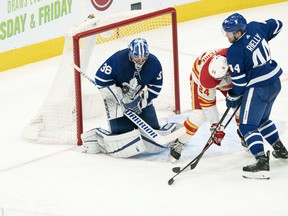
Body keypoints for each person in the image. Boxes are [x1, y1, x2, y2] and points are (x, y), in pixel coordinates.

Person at [81, 38, 179, 158]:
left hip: (139, 99)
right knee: (121, 133)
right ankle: (98, 138)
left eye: (144, 57)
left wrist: (142, 101)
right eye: (137, 57)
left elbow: (156, 85)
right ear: (130, 52)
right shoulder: (118, 59)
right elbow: (100, 79)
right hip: (116, 102)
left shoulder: (154, 63)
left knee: (153, 131)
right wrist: (117, 97)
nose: (141, 60)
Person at [222, 13, 288, 179]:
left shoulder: (235, 51)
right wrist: (261, 39)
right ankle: (280, 149)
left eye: (229, 32)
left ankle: (261, 162)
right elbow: (277, 23)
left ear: (238, 32)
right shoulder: (255, 27)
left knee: (247, 126)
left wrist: (232, 96)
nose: (227, 35)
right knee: (262, 121)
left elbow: (240, 84)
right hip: (274, 82)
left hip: (258, 88)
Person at [170, 48, 246, 162]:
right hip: (200, 79)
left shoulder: (236, 60)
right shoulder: (205, 78)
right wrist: (216, 126)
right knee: (199, 116)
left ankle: (245, 134)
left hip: (228, 77)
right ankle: (180, 141)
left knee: (243, 107)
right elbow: (208, 105)